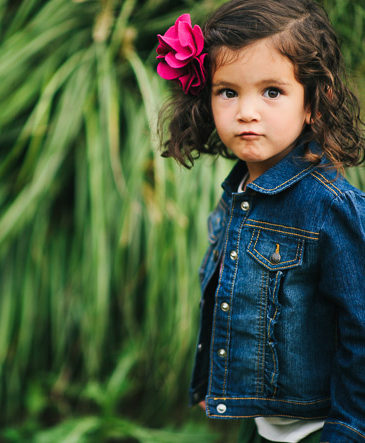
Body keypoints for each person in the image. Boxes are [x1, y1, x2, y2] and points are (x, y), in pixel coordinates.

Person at [156, 1, 365, 442]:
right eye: (228, 91)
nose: (246, 111)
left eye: (272, 91)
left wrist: (348, 430)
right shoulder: (235, 197)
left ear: (314, 101)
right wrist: (210, 378)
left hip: (321, 429)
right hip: (263, 425)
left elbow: (360, 332)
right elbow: (228, 295)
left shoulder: (331, 208)